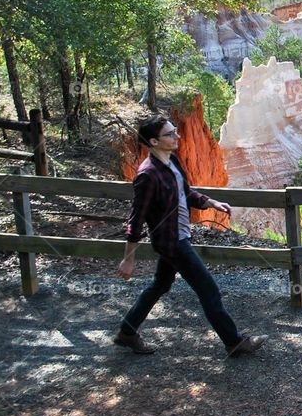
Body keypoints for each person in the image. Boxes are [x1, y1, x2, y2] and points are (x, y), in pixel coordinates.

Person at [114, 115, 267, 356]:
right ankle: (234, 342)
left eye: (175, 131)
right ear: (154, 141)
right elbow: (136, 218)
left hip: (178, 237)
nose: (178, 136)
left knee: (160, 285)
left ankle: (127, 332)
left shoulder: (172, 161)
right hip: (172, 243)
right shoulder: (147, 175)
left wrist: (211, 202)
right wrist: (129, 257)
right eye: (170, 133)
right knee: (209, 290)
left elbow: (186, 193)